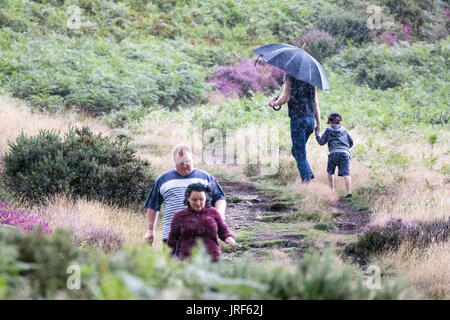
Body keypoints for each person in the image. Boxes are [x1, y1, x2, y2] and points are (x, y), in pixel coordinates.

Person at [144, 145, 227, 245]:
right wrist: (150, 231)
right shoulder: (163, 179)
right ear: (174, 161)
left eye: (187, 162)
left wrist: (220, 214)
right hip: (172, 237)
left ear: (192, 158)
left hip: (202, 236)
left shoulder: (205, 177)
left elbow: (219, 197)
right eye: (180, 163)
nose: (184, 166)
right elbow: (153, 206)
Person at [269, 74, 321, 183]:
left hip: (298, 119)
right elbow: (315, 103)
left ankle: (306, 181)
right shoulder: (311, 78)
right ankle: (309, 174)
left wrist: (274, 103)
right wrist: (318, 124)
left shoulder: (289, 75)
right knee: (296, 151)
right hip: (310, 120)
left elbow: (285, 98)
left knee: (299, 151)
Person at [167, 183, 235, 262]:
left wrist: (228, 238)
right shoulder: (179, 216)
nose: (198, 203)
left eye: (201, 199)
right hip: (189, 261)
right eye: (194, 200)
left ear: (206, 198)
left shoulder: (213, 212)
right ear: (188, 199)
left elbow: (223, 231)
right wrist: (171, 260)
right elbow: (172, 240)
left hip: (213, 259)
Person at [315, 113, 354, 197]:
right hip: (345, 153)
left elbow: (321, 142)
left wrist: (317, 135)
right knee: (346, 174)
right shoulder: (345, 130)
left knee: (330, 172)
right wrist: (346, 148)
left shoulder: (328, 130)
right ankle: (349, 193)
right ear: (340, 122)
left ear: (330, 122)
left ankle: (332, 191)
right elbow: (351, 142)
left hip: (333, 153)